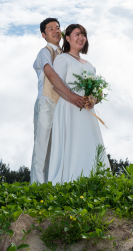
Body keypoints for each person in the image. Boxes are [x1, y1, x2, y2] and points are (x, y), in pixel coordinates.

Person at [47, 24, 111, 183]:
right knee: (73, 142)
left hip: (88, 112)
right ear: (67, 38)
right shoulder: (62, 59)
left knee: (89, 142)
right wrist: (74, 99)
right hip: (69, 108)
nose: (81, 38)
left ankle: (95, 179)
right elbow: (57, 86)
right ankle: (72, 180)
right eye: (77, 34)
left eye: (83, 35)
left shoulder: (89, 64)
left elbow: (98, 91)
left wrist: (93, 100)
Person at [31, 18, 85, 184]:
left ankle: (55, 184)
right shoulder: (45, 52)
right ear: (43, 35)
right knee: (43, 147)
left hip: (63, 106)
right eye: (50, 29)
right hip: (47, 103)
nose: (56, 31)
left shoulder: (66, 56)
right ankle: (38, 187)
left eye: (58, 28)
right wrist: (71, 96)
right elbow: (51, 74)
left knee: (58, 148)